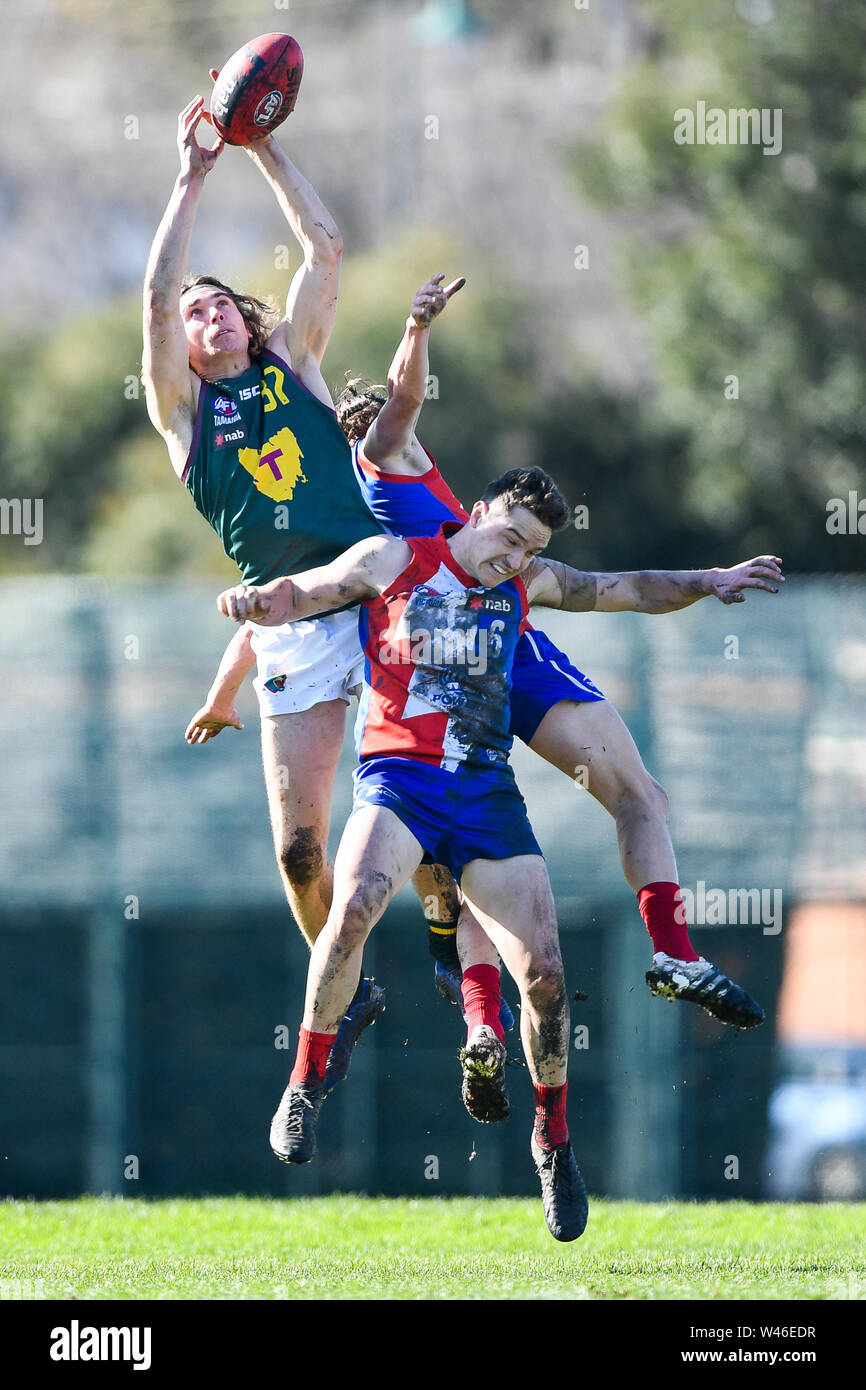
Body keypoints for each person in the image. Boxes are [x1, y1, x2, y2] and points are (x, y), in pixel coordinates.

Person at [192, 274, 779, 1095]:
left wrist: (226, 683)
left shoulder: (411, 515)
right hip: (467, 673)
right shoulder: (384, 474)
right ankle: (502, 996)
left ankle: (595, 970)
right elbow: (396, 411)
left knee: (581, 810)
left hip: (503, 652)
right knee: (509, 819)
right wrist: (416, 325)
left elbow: (278, 608)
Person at [216, 471, 784, 1241]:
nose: (515, 559)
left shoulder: (531, 582)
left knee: (547, 977)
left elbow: (627, 589)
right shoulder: (394, 557)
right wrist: (257, 603)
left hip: (485, 796)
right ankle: (305, 1083)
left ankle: (552, 1143)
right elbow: (307, 591)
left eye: (533, 549)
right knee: (351, 907)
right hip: (399, 782)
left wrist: (709, 580)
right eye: (509, 537)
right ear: (475, 514)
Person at [142, 95, 390, 1085]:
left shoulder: (293, 359)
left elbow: (325, 247)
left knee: (416, 810)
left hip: (377, 598)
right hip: (289, 626)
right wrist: (192, 174)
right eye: (191, 311)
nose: (202, 312)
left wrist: (262, 145)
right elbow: (154, 301)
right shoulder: (182, 414)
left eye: (218, 301)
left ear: (247, 317)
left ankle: (461, 970)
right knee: (298, 853)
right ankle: (342, 974)